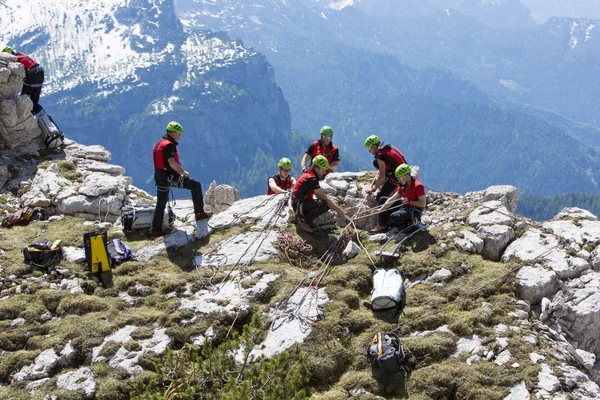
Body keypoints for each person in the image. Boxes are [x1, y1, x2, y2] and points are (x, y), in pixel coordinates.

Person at [151, 121, 211, 237]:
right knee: (196, 185)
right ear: (173, 132)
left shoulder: (159, 143)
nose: (179, 136)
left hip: (159, 176)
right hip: (169, 176)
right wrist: (183, 173)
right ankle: (199, 213)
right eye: (179, 133)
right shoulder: (169, 145)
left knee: (161, 202)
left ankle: (156, 229)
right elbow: (172, 162)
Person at [292, 155, 345, 233]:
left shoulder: (309, 175)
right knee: (324, 204)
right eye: (323, 170)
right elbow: (322, 197)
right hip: (299, 205)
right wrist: (338, 210)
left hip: (298, 204)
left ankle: (305, 219)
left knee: (323, 203)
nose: (324, 172)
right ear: (317, 168)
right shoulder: (311, 179)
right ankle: (304, 221)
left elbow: (318, 195)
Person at [372, 164, 425, 233]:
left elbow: (423, 204)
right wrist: (381, 209)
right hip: (405, 206)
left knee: (394, 216)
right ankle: (383, 226)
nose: (399, 181)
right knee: (383, 199)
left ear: (406, 176)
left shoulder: (418, 186)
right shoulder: (403, 185)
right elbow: (392, 198)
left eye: (400, 178)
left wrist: (409, 202)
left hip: (414, 210)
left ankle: (408, 227)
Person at [363, 134, 407, 201]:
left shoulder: (380, 155)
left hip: (399, 177)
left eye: (369, 147)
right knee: (375, 162)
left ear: (374, 146)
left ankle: (394, 182)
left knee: (380, 197)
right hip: (404, 169)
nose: (368, 150)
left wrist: (373, 189)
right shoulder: (386, 146)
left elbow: (382, 176)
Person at [2, 46, 44, 114]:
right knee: (36, 91)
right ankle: (35, 109)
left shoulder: (15, 58)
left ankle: (24, 112)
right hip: (40, 70)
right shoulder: (21, 54)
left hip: (33, 71)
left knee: (25, 93)